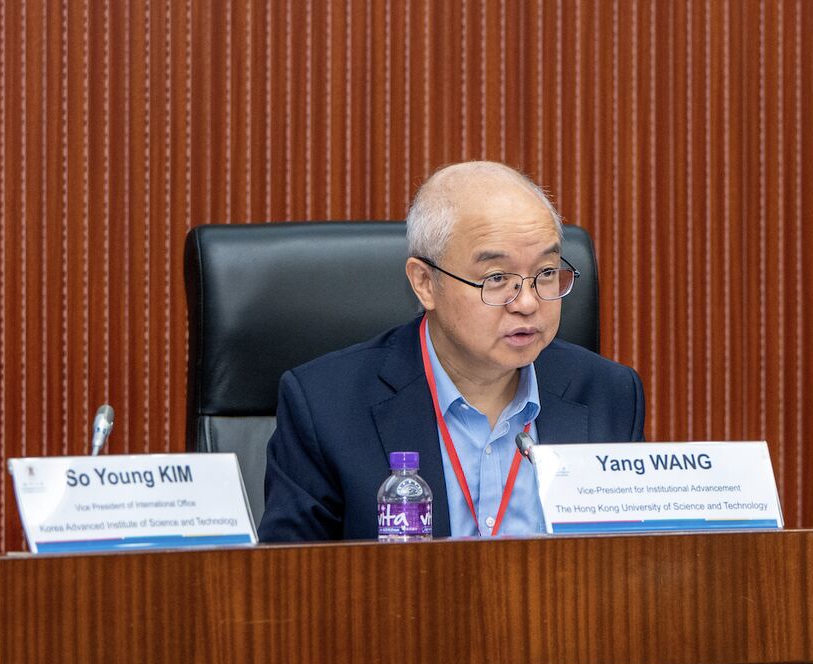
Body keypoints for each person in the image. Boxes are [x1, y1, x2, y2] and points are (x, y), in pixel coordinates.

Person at [259, 161, 646, 541]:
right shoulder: (326, 406)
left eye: (545, 273)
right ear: (425, 283)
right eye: (497, 279)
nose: (527, 302)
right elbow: (292, 587)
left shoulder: (608, 395)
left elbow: (633, 567)